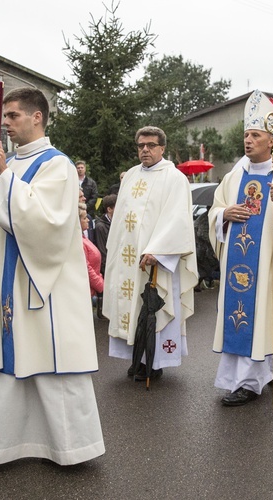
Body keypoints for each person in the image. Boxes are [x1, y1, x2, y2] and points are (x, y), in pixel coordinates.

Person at [0, 87, 104, 472]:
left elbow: (48, 224)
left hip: (39, 288)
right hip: (0, 281)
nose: (6, 125)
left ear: (37, 117)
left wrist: (1, 175)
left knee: (49, 366)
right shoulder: (10, 164)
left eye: (13, 116)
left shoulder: (58, 165)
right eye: (5, 119)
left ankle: (69, 449)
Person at [208, 90, 273, 406]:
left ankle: (250, 383)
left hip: (266, 265)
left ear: (271, 141)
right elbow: (215, 210)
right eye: (246, 135)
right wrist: (225, 214)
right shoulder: (232, 177)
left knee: (263, 315)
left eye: (255, 135)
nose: (248, 140)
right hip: (237, 264)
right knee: (242, 317)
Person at [104, 126, 198, 382]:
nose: (145, 149)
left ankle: (154, 363)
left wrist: (159, 251)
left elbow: (177, 219)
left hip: (156, 259)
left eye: (151, 145)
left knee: (153, 309)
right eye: (140, 145)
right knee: (132, 308)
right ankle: (137, 358)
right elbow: (121, 219)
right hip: (128, 260)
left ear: (162, 148)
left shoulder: (174, 178)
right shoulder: (131, 176)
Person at [79, 204, 104, 297]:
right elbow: (86, 268)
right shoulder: (78, 241)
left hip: (91, 289)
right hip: (85, 291)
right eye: (85, 218)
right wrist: (101, 285)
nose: (88, 220)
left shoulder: (82, 237)